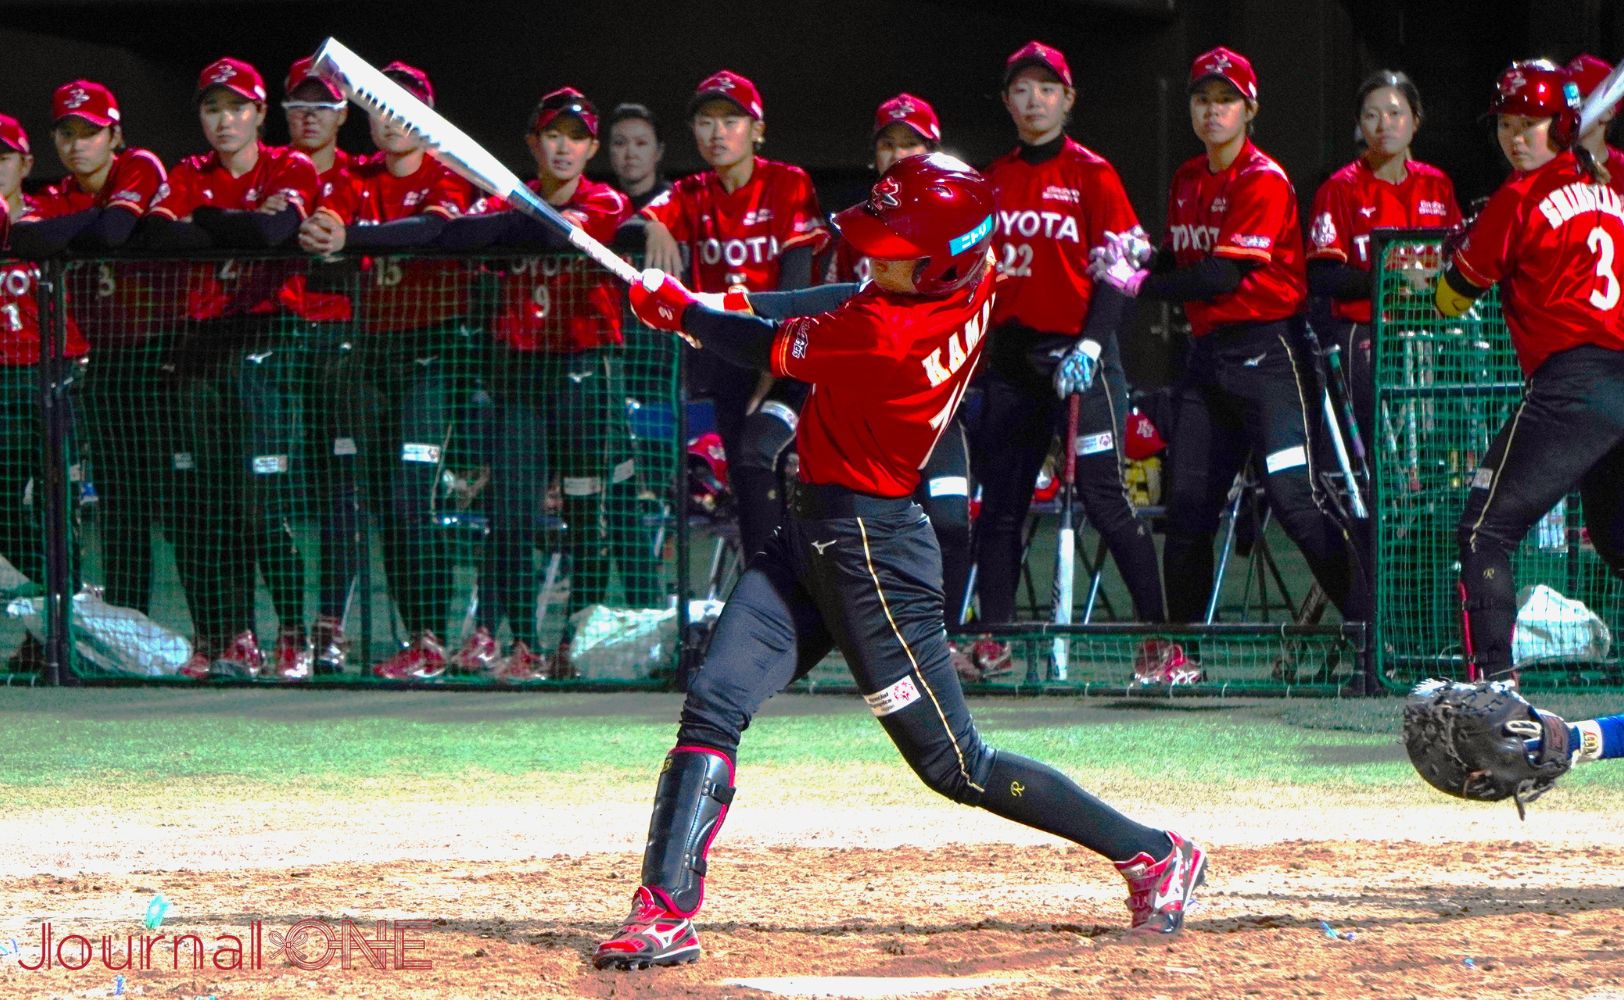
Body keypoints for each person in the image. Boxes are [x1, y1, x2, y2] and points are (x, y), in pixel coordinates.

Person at [592, 153, 1206, 971]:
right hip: (810, 536)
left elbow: (769, 343)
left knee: (957, 765)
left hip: (872, 556)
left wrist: (684, 313)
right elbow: (832, 296)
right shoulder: (964, 283)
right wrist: (716, 299)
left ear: (941, 258)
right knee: (714, 700)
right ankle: (664, 909)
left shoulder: (887, 331)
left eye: (894, 249)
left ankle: (1155, 853)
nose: (874, 259)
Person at [1090, 46, 1362, 641]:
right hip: (1209, 358)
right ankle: (1180, 653)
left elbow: (1222, 276)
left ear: (1250, 108)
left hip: (1271, 356)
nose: (1213, 112)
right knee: (1188, 512)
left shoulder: (1263, 177)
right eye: (1203, 100)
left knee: (1297, 502)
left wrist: (1136, 283)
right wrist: (1139, 255)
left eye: (1226, 101)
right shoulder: (1189, 177)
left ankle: (1373, 635)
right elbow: (1189, 258)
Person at [975, 41, 1170, 682]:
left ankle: (1162, 644)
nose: (1035, 100)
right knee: (1001, 503)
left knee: (1106, 497)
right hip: (1013, 358)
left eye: (1048, 89)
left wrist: (1090, 344)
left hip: (1083, 357)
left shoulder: (1093, 173)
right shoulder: (993, 178)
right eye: (1023, 89)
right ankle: (994, 641)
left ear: (1068, 99)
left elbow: (1125, 265)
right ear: (1007, 101)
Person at [1434, 59, 1624, 681]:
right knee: (1618, 543)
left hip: (1573, 386)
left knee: (1484, 532)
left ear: (1562, 123)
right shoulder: (1612, 180)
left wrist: (1455, 247)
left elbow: (1451, 298)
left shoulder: (1516, 199)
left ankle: (1493, 690)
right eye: (1508, 124)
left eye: (1532, 124)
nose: (1516, 137)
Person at [464, 86, 663, 679]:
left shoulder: (602, 199)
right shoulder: (509, 198)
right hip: (521, 373)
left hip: (586, 372)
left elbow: (554, 233)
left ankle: (573, 642)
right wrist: (508, 219)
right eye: (554, 134)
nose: (564, 146)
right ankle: (521, 643)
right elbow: (464, 236)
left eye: (577, 137)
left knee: (587, 511)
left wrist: (512, 222)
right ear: (534, 142)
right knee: (513, 513)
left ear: (591, 147)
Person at [139, 57, 319, 680]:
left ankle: (293, 635)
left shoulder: (289, 165)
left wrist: (209, 221)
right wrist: (234, 225)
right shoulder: (188, 171)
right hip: (200, 346)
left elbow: (274, 233)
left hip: (268, 344)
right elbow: (156, 239)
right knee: (206, 508)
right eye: (212, 108)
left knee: (260, 507)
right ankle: (229, 636)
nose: (224, 120)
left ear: (260, 113)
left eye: (237, 107)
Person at [297, 61, 476, 681]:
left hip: (433, 352)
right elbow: (325, 227)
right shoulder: (358, 176)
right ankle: (411, 639)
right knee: (373, 496)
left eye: (406, 106)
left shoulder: (449, 172)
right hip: (371, 351)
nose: (393, 119)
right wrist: (333, 232)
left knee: (410, 498)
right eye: (381, 105)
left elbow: (431, 231)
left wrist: (354, 237)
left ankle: (431, 634)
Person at [627, 70, 828, 561]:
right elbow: (629, 222)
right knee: (743, 472)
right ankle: (769, 589)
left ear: (756, 130)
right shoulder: (691, 192)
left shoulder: (788, 183)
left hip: (790, 358)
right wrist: (653, 226)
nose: (718, 133)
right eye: (706, 121)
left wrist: (771, 364)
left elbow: (798, 286)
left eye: (731, 120)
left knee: (761, 457)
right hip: (727, 361)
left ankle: (798, 585)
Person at [827, 93, 975, 654]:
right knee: (865, 533)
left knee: (951, 522)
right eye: (888, 143)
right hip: (870, 419)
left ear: (932, 151)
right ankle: (874, 646)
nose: (897, 153)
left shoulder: (960, 221)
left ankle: (948, 643)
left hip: (936, 411)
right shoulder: (853, 229)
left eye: (910, 143)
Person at [14, 81, 168, 619]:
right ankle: (123, 623)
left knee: (191, 506)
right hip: (103, 362)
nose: (78, 145)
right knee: (118, 500)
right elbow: (28, 240)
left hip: (165, 353)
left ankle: (222, 639)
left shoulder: (139, 164)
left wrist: (75, 231)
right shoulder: (55, 196)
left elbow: (116, 232)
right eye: (67, 133)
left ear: (115, 135)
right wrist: (89, 223)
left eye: (90, 133)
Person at [1307, 70, 1459, 452]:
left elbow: (1458, 255)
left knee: (1433, 445)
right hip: (1365, 333)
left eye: (1395, 114)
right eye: (1371, 115)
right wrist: (1394, 280)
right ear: (1359, 123)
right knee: (1381, 450)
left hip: (1430, 333)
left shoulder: (1437, 184)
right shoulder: (1339, 189)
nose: (1383, 125)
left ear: (1415, 121)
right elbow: (1322, 275)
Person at [0, 114, 91, 669]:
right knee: (5, 507)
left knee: (57, 504)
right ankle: (58, 594)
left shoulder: (53, 208)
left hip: (51, 375)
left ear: (26, 163)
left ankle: (63, 624)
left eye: (3, 157)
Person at [280, 55, 360, 675]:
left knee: (340, 495)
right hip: (278, 347)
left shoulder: (361, 178)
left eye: (324, 105)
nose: (310, 116)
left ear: (343, 114)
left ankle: (331, 626)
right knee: (271, 489)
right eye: (300, 105)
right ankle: (281, 630)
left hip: (343, 349)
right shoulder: (271, 175)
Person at [1566, 54, 1624, 188]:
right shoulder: (1546, 168)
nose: (1568, 107)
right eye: (1567, 97)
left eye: (1577, 99)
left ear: (1608, 112)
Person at [606, 103, 669, 212]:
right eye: (620, 143)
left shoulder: (677, 201)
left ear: (659, 151)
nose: (630, 154)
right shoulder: (598, 203)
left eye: (641, 143)